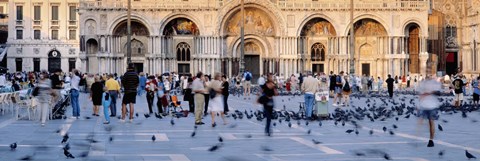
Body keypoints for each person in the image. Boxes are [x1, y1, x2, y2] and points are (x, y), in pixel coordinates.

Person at [417, 75, 442, 147]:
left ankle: (431, 140)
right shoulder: (422, 83)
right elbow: (421, 94)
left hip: (432, 106)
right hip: (424, 105)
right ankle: (416, 138)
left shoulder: (435, 83)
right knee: (423, 122)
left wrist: (430, 93)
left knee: (431, 122)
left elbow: (439, 93)